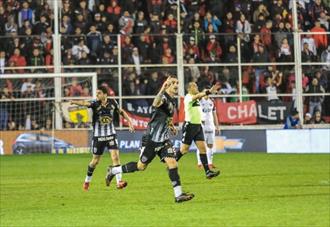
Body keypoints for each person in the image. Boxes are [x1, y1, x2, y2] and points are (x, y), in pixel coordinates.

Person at [105, 76, 194, 203]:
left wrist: (171, 126)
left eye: (177, 83)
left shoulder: (172, 101)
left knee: (173, 163)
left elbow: (166, 117)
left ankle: (178, 195)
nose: (176, 85)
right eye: (173, 83)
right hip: (152, 139)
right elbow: (155, 103)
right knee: (141, 166)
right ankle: (113, 170)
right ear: (167, 85)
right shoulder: (163, 98)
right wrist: (162, 89)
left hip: (163, 140)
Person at [70, 86, 135, 191]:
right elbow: (84, 103)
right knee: (95, 161)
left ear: (105, 94)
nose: (97, 95)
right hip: (98, 137)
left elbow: (121, 111)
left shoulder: (113, 102)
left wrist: (130, 122)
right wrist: (74, 102)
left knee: (115, 158)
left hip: (111, 135)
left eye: (99, 93)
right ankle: (87, 181)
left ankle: (119, 182)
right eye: (96, 93)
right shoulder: (95, 103)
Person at [176, 82, 220, 179]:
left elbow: (202, 96)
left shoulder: (198, 98)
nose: (196, 87)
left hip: (198, 126)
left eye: (196, 85)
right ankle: (172, 164)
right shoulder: (188, 97)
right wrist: (208, 91)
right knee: (184, 150)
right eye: (194, 86)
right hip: (190, 126)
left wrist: (209, 92)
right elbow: (200, 95)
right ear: (189, 88)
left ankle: (208, 172)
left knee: (203, 149)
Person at [196, 94, 220, 169]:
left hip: (210, 126)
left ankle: (209, 163)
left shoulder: (212, 101)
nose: (208, 93)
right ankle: (200, 163)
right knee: (201, 144)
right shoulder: (199, 100)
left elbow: (214, 114)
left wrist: (217, 126)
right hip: (202, 126)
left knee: (210, 145)